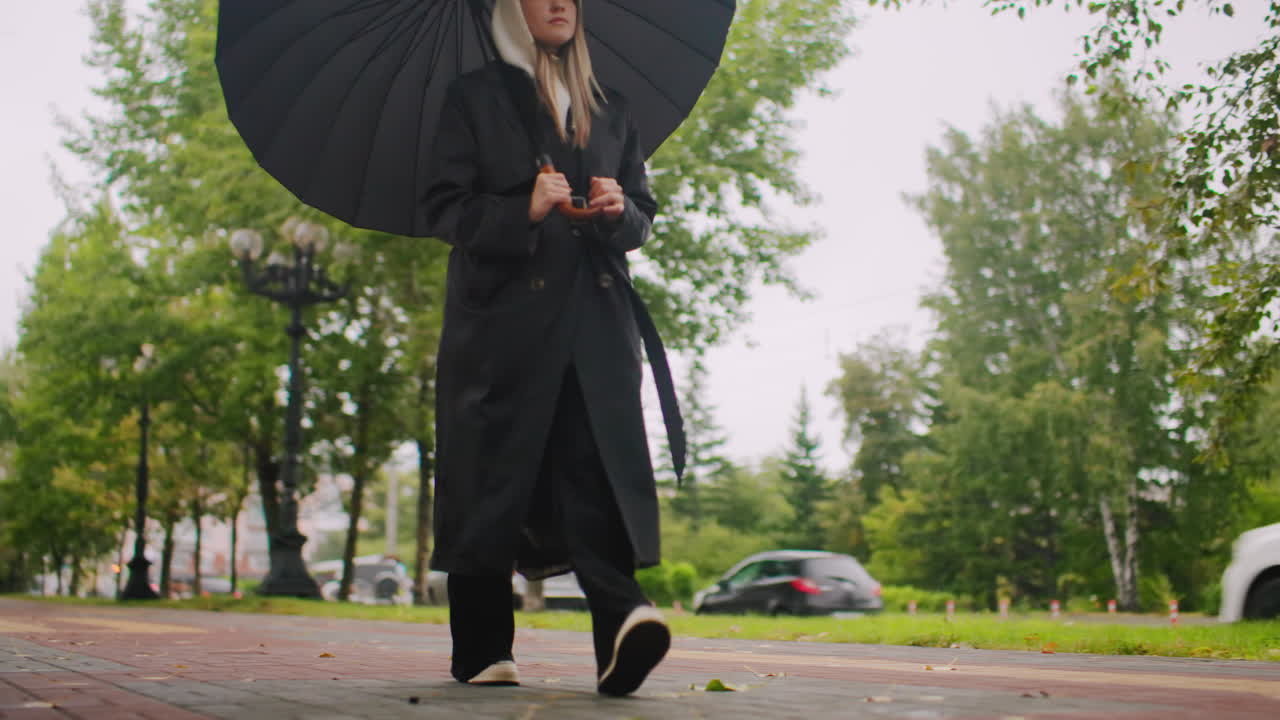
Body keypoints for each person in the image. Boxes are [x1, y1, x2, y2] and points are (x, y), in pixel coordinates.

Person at [420, 0, 681, 698]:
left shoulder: (610, 107)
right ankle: (482, 650)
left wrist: (619, 210)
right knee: (494, 475)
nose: (561, 2)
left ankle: (622, 627)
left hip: (595, 321)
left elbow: (643, 216)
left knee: (592, 468)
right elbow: (444, 208)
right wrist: (522, 208)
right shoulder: (473, 99)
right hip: (501, 328)